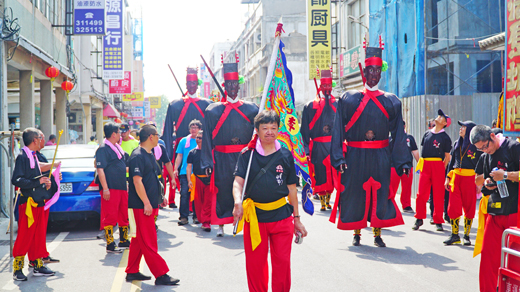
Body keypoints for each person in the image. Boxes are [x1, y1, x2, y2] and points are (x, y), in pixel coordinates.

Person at [330, 43, 411, 247]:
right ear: (363, 72)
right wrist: (339, 158)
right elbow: (338, 130)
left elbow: (398, 134)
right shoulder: (349, 99)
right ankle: (356, 232)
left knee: (381, 193)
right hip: (355, 155)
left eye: (377, 70)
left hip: (381, 155)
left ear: (381, 73)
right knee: (355, 192)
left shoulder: (391, 101)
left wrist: (402, 162)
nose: (374, 74)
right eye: (370, 70)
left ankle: (377, 233)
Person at [232, 110, 308, 292]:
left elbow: (291, 189)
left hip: (281, 217)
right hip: (255, 218)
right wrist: (237, 202)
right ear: (256, 130)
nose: (269, 132)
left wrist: (296, 218)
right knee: (255, 265)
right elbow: (237, 182)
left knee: (282, 263)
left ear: (278, 129)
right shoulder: (247, 155)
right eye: (264, 128)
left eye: (273, 128)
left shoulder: (285, 154)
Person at [201, 50, 258, 237]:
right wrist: (207, 162)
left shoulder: (251, 109)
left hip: (243, 156)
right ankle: (221, 224)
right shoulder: (212, 111)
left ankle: (244, 222)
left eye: (236, 83)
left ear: (239, 86)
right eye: (229, 84)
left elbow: (258, 135)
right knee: (223, 189)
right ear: (224, 85)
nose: (233, 87)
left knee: (245, 189)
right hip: (222, 157)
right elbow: (207, 139)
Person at [125, 124, 180, 286]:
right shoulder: (137, 156)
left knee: (138, 239)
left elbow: (152, 179)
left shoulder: (149, 154)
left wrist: (159, 197)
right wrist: (147, 203)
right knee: (148, 240)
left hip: (148, 203)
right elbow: (137, 181)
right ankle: (161, 274)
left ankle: (132, 270)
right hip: (140, 205)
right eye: (157, 135)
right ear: (150, 137)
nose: (159, 137)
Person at [470, 125, 519, 292]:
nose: (485, 150)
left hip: (514, 211)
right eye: (480, 149)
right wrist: (487, 183)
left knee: (513, 261)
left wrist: (505, 175)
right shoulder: (485, 156)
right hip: (494, 210)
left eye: (486, 146)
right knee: (488, 260)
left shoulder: (513, 148)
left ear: (492, 136)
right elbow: (478, 179)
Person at [11, 128, 57, 280]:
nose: (41, 140)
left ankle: (37, 264)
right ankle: (17, 268)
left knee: (38, 235)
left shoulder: (33, 156)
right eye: (39, 137)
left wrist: (46, 183)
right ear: (34, 140)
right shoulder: (23, 157)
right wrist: (38, 181)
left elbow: (35, 178)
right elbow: (16, 180)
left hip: (37, 202)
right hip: (27, 204)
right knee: (25, 236)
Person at [301, 67, 339, 211]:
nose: (327, 88)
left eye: (329, 85)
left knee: (333, 173)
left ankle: (329, 200)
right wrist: (305, 150)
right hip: (318, 147)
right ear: (321, 86)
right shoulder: (310, 106)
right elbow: (304, 131)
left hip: (333, 146)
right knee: (321, 173)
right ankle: (323, 201)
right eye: (325, 85)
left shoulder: (338, 105)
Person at [413, 109, 452, 232]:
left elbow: (447, 156)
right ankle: (419, 218)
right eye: (439, 115)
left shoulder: (445, 137)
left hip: (438, 165)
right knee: (421, 194)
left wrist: (442, 168)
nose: (438, 117)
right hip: (425, 164)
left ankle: (438, 220)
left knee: (438, 194)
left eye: (442, 117)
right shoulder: (427, 134)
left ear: (445, 123)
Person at [443, 121, 481, 246]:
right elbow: (452, 163)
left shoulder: (476, 146)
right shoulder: (456, 143)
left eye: (464, 127)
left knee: (469, 207)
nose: (461, 129)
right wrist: (447, 178)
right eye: (461, 127)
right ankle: (454, 235)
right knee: (453, 206)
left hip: (470, 179)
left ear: (470, 130)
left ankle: (466, 235)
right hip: (456, 178)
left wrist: (478, 182)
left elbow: (480, 165)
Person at [95, 122, 130, 253]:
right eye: (119, 132)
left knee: (123, 214)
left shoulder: (117, 148)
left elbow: (121, 167)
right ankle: (110, 243)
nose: (121, 135)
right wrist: (105, 188)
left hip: (121, 187)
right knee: (110, 215)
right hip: (111, 188)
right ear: (113, 134)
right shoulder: (103, 149)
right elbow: (100, 169)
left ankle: (123, 240)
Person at [34, 130, 60, 265]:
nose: (42, 140)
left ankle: (43, 254)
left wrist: (55, 176)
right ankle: (36, 257)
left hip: (45, 195)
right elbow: (39, 168)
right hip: (35, 198)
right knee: (37, 229)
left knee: (42, 229)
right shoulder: (29, 156)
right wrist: (53, 166)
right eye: (40, 138)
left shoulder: (39, 155)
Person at [174, 119, 202, 225]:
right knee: (184, 194)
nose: (193, 129)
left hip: (198, 172)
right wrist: (175, 168)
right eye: (192, 127)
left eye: (196, 127)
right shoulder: (183, 141)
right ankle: (183, 217)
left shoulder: (202, 139)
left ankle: (196, 216)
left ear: (200, 129)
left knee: (197, 195)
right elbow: (179, 155)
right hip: (184, 172)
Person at [390, 121, 419, 213]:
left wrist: (420, 164)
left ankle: (406, 205)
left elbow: (415, 152)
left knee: (407, 186)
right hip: (393, 166)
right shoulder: (390, 139)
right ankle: (390, 204)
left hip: (407, 166)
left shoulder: (409, 138)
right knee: (392, 186)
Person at [187, 130, 211, 231]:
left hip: (209, 181)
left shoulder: (210, 152)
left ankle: (206, 222)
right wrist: (189, 180)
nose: (198, 139)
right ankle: (202, 220)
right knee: (198, 203)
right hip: (197, 179)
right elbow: (189, 167)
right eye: (197, 137)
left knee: (208, 202)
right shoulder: (192, 152)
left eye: (200, 138)